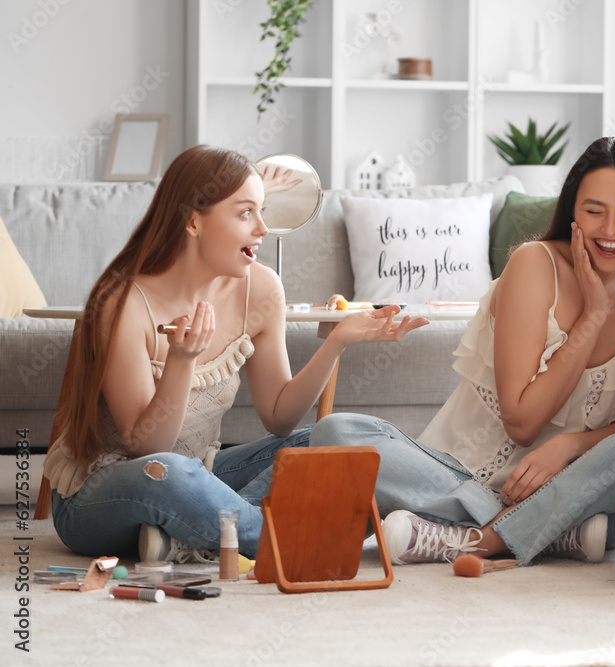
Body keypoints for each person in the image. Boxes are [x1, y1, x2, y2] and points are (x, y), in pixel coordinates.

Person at [312, 137, 615, 565]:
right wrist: (593, 315)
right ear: (572, 211)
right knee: (336, 435)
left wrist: (572, 445)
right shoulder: (535, 263)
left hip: (573, 480)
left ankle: (482, 536)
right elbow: (522, 423)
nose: (611, 230)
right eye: (594, 211)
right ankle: (555, 531)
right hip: (462, 476)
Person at [43, 145, 427, 562]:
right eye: (246, 213)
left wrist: (337, 342)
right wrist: (182, 361)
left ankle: (190, 537)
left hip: (203, 476)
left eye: (262, 211)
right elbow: (146, 448)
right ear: (193, 221)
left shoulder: (260, 289)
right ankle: (303, 539)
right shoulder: (123, 303)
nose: (262, 228)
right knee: (171, 475)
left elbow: (279, 418)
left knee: (338, 443)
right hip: (107, 492)